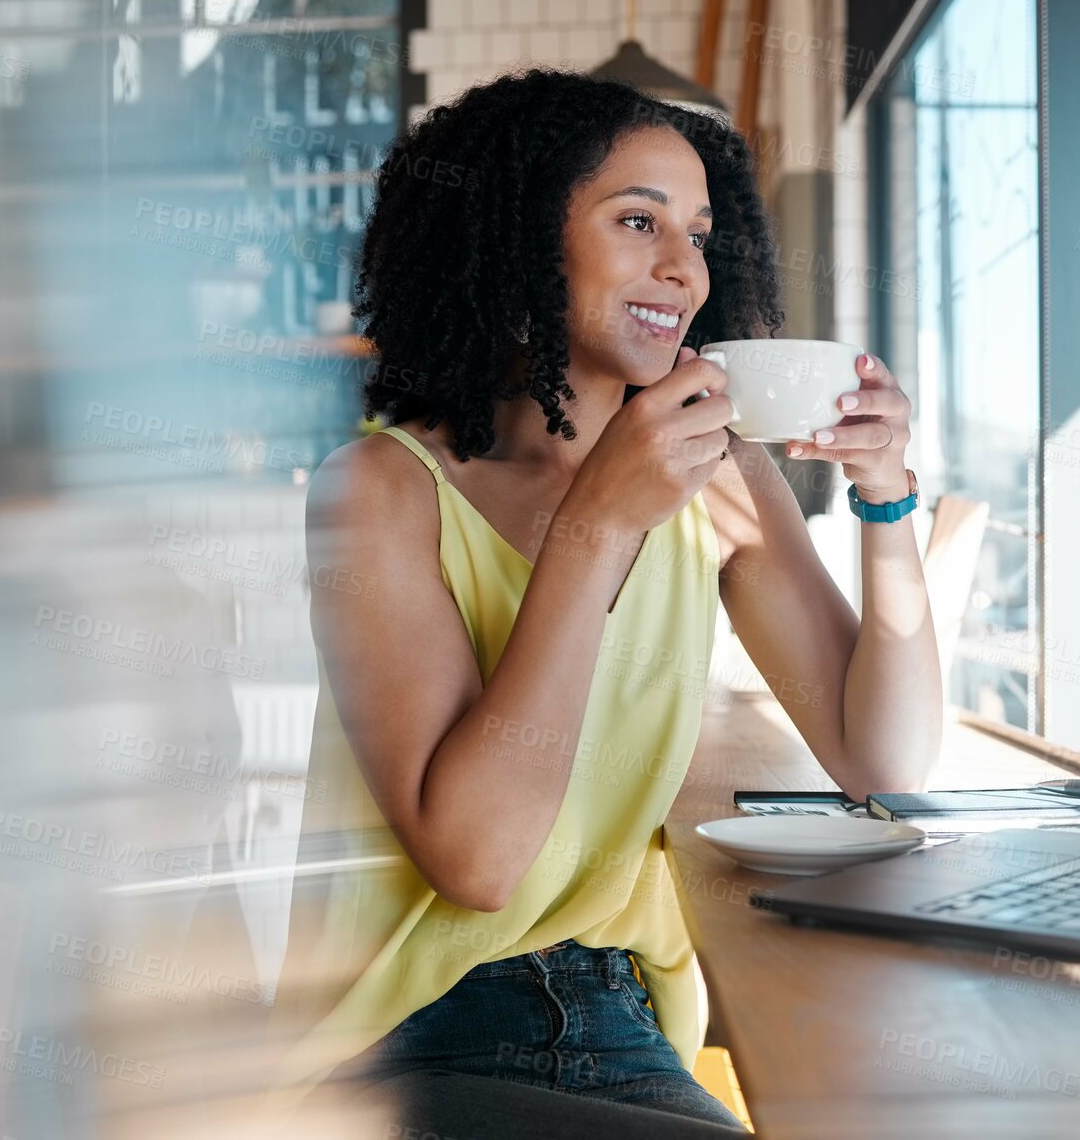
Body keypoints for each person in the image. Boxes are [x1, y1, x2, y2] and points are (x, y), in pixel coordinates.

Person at [272, 68, 943, 1139]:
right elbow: (478, 863)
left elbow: (884, 760)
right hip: (413, 1036)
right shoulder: (379, 493)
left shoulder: (719, 479)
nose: (682, 269)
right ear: (520, 238)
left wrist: (883, 492)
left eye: (699, 233)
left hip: (621, 1014)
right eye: (638, 221)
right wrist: (597, 527)